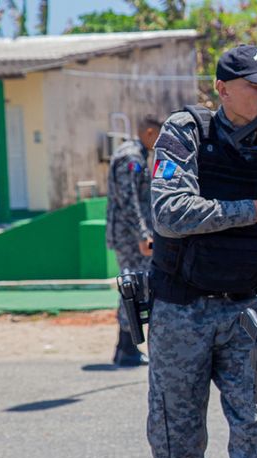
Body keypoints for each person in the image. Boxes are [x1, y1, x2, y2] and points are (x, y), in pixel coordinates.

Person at [147, 44, 257, 458]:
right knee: (176, 443)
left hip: (245, 313)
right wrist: (256, 210)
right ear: (222, 89)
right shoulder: (187, 131)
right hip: (181, 311)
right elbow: (168, 212)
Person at [105, 114, 162, 367]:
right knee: (132, 287)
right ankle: (127, 348)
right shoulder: (132, 158)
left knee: (134, 286)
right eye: (159, 136)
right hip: (130, 236)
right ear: (149, 132)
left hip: (129, 233)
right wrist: (142, 235)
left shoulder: (135, 154)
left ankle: (124, 347)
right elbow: (129, 201)